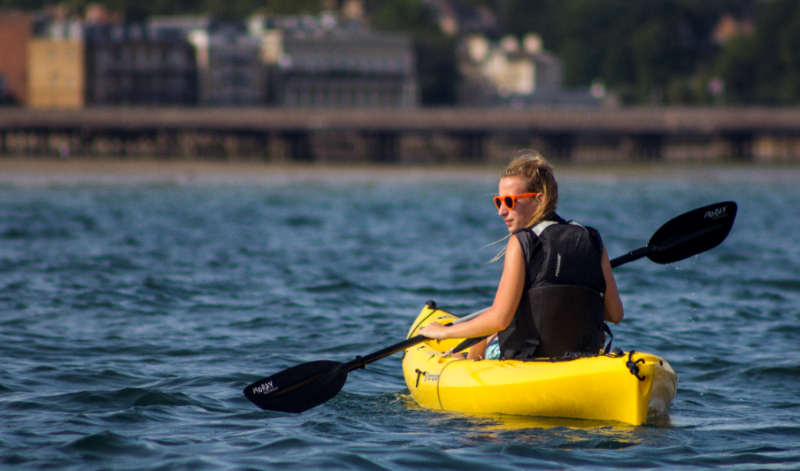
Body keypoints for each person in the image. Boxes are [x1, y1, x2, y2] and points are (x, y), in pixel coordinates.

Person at [419, 152, 623, 360]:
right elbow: (615, 314)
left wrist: (444, 332)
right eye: (498, 202)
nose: (501, 211)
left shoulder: (522, 242)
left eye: (509, 201)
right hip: (582, 358)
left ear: (538, 199)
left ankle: (467, 361)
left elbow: (499, 319)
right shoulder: (592, 239)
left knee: (474, 342)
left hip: (528, 358)